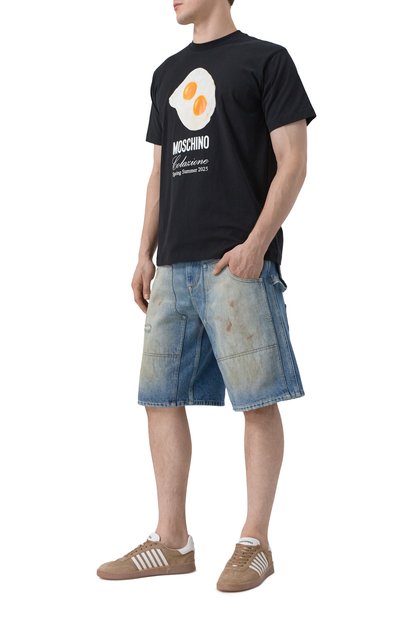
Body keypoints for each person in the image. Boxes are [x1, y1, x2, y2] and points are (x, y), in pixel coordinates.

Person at [97, 0, 316, 593]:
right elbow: (159, 173)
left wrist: (256, 245)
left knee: (258, 399)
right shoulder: (166, 73)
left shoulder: (267, 60)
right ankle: (172, 541)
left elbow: (293, 161)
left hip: (235, 266)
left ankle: (255, 543)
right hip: (172, 269)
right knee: (159, 398)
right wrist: (143, 253)